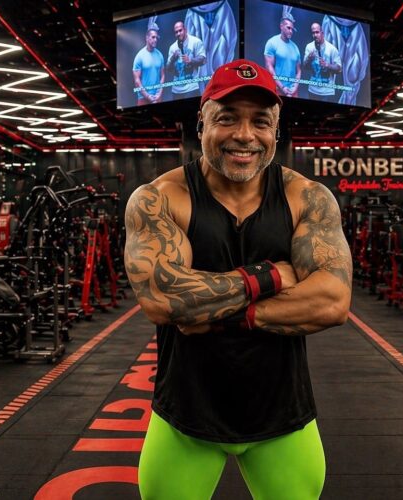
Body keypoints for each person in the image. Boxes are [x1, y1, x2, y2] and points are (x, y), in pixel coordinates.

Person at [125, 59, 352, 499]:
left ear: (276, 130)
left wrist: (217, 313)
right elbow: (164, 301)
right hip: (186, 416)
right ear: (202, 121)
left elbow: (331, 301)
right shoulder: (161, 198)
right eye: (227, 118)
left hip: (282, 418)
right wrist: (270, 276)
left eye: (260, 122)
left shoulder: (306, 198)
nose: (245, 135)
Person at [166, 21, 207, 100]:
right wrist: (172, 59)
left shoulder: (195, 41)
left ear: (185, 30)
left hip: (192, 87)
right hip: (176, 89)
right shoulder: (172, 47)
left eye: (180, 30)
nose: (178, 34)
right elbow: (168, 69)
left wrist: (191, 60)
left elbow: (203, 59)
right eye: (176, 32)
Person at [303, 22, 342, 103]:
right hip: (313, 90)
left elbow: (339, 69)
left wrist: (327, 65)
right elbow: (305, 67)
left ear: (322, 33)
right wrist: (309, 59)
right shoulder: (309, 47)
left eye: (317, 32)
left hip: (327, 92)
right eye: (313, 33)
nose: (315, 35)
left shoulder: (332, 49)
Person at [263, 17, 301, 98]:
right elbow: (269, 67)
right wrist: (282, 87)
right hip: (277, 89)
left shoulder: (295, 47)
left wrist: (295, 87)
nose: (291, 31)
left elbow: (298, 71)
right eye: (288, 28)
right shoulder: (272, 43)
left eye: (292, 29)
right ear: (281, 26)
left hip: (292, 91)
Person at [132, 29, 165, 106]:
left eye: (156, 37)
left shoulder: (160, 55)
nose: (155, 40)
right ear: (147, 38)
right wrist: (147, 96)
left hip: (157, 97)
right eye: (153, 37)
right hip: (143, 97)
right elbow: (137, 81)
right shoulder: (139, 56)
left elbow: (163, 75)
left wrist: (159, 93)